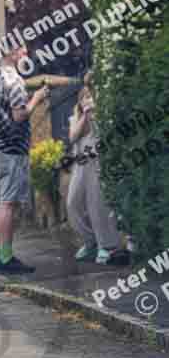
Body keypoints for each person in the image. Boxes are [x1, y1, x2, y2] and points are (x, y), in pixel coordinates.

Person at [0, 47, 49, 274]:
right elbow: (19, 114)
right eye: (22, 52)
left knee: (0, 206)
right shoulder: (15, 81)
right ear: (12, 54)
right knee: (8, 205)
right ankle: (6, 258)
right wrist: (37, 99)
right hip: (11, 152)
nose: (26, 56)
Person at [66, 73, 122, 264]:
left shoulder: (102, 114)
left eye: (89, 97)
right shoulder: (74, 119)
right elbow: (73, 137)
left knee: (97, 205)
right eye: (83, 98)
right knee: (73, 203)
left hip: (98, 163)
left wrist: (94, 116)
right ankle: (90, 241)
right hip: (80, 165)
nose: (86, 100)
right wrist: (85, 116)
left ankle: (106, 245)